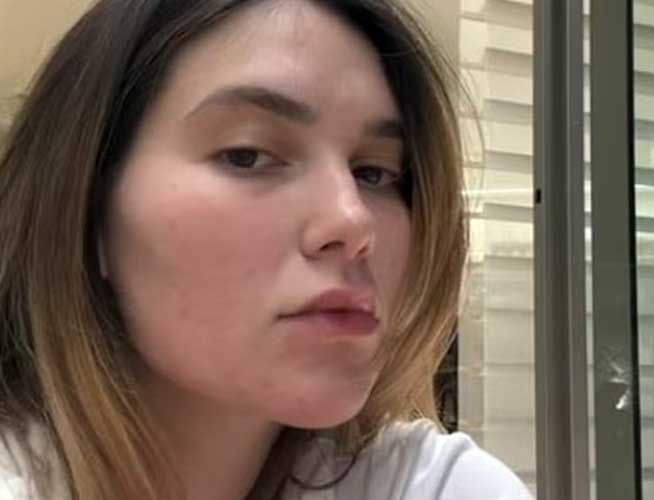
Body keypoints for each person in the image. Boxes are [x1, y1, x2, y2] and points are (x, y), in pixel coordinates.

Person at [0, 0, 534, 499]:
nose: (353, 220)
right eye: (248, 156)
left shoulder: (428, 486)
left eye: (376, 173)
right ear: (86, 211)